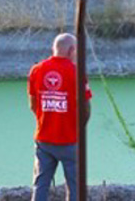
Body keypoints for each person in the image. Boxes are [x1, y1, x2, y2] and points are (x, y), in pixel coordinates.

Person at [28, 33, 92, 201]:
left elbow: (33, 104)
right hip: (70, 140)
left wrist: (46, 120)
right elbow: (86, 108)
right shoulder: (77, 72)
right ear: (71, 50)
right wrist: (78, 129)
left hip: (44, 139)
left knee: (40, 185)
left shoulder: (36, 70)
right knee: (75, 188)